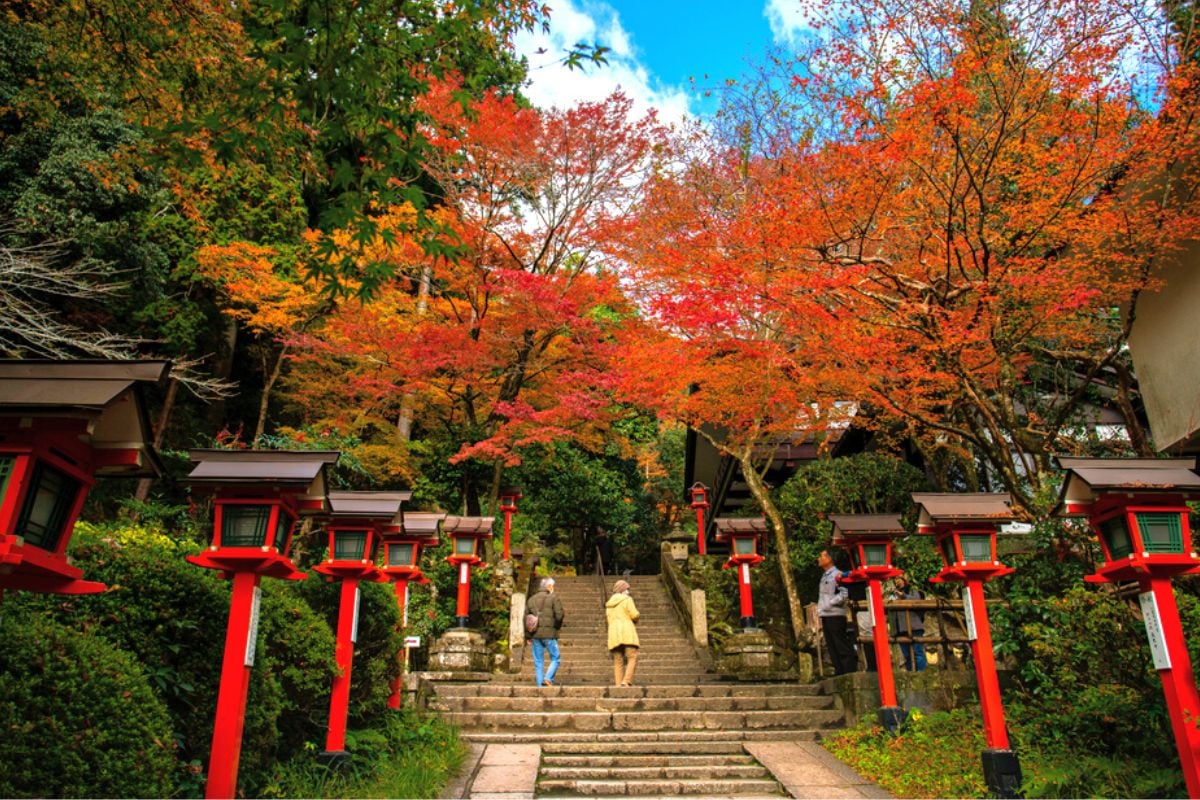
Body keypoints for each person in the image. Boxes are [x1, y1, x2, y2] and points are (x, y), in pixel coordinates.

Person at [817, 549, 857, 675]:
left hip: (836, 613)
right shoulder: (824, 576)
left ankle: (848, 670)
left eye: (822, 556)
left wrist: (830, 603)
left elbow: (844, 594)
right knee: (831, 645)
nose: (819, 559)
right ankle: (839, 670)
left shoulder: (838, 574)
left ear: (830, 558)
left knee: (840, 643)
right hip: (826, 613)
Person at [527, 577, 565, 687]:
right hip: (549, 634)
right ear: (549, 586)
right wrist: (555, 628)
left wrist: (528, 636)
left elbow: (526, 619)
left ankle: (540, 687)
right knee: (556, 658)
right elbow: (560, 616)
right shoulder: (553, 598)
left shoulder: (531, 599)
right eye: (552, 585)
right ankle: (548, 678)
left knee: (538, 662)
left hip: (535, 635)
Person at [606, 579, 640, 686]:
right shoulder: (627, 600)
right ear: (622, 590)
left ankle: (618, 685)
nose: (628, 592)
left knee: (618, 660)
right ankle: (626, 681)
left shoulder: (609, 604)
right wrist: (637, 617)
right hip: (627, 632)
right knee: (632, 656)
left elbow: (608, 619)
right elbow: (634, 614)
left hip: (614, 634)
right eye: (626, 589)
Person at [889, 575, 927, 672]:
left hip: (913, 625)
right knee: (906, 654)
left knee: (917, 651)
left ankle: (922, 674)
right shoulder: (892, 594)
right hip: (900, 628)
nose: (897, 581)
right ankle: (911, 674)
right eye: (896, 579)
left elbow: (917, 600)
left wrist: (904, 596)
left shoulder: (912, 590)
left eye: (899, 579)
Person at [845, 578, 876, 672]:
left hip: (863, 608)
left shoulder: (856, 581)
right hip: (861, 609)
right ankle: (872, 665)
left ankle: (873, 666)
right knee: (867, 638)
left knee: (867, 637)